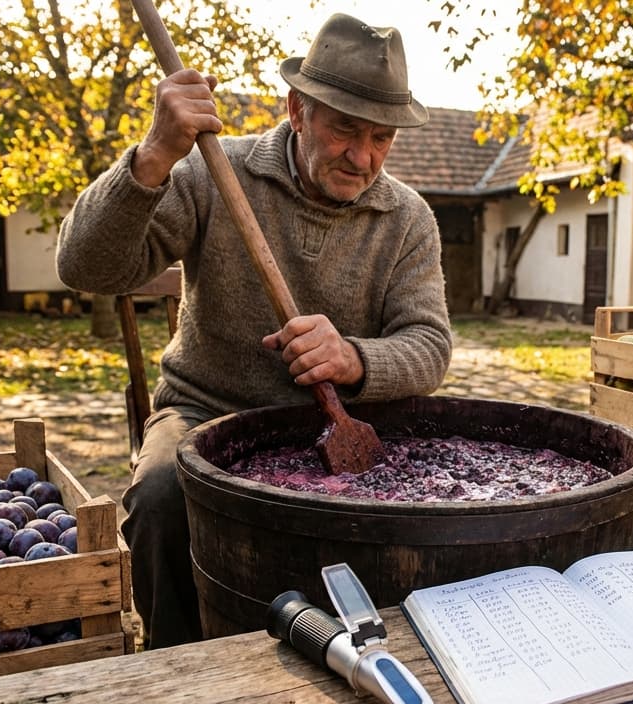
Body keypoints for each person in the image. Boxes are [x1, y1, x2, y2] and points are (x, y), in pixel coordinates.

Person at [56, 13, 452, 649]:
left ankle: (360, 667)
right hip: (206, 415)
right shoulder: (216, 173)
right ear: (297, 109)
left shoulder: (407, 219)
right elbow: (85, 268)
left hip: (336, 428)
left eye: (382, 137)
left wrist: (353, 358)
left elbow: (429, 348)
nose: (363, 155)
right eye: (344, 128)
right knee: (160, 496)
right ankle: (179, 671)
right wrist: (155, 155)